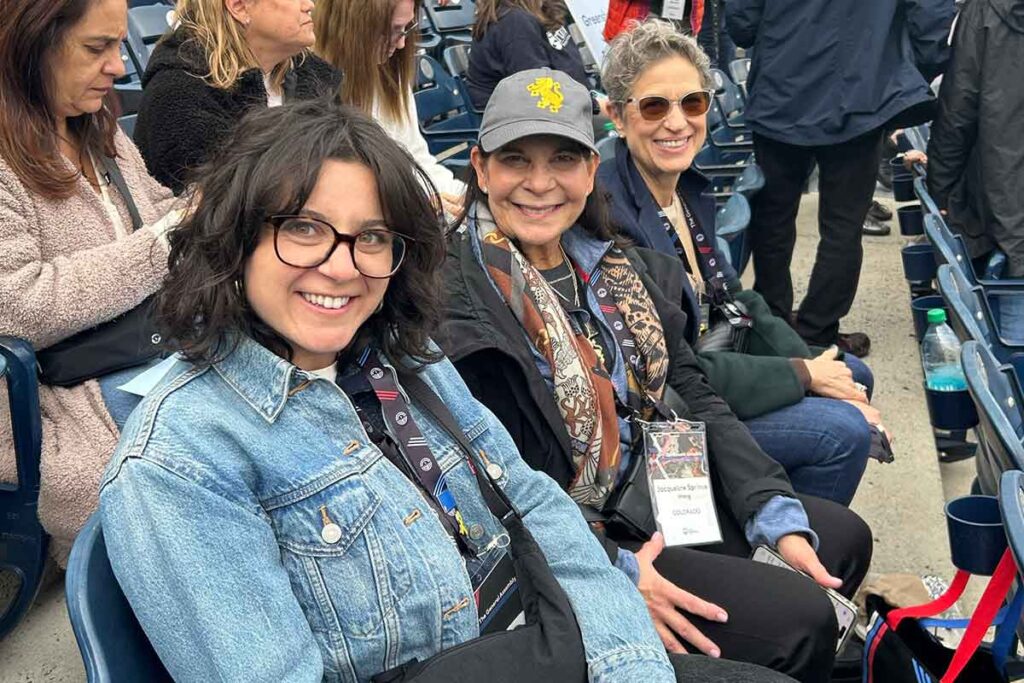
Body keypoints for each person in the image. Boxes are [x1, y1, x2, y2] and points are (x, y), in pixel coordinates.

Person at [100, 100, 787, 683]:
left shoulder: (404, 359)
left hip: (545, 639)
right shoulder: (180, 462)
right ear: (238, 236)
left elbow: (534, 502)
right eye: (303, 227)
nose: (341, 267)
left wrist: (626, 663)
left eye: (371, 237)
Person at [440, 68, 873, 681]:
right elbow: (490, 484)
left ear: (592, 171)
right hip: (580, 533)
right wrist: (614, 568)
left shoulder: (618, 268)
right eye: (516, 161)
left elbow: (693, 392)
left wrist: (767, 504)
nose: (540, 184)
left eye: (563, 159)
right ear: (481, 170)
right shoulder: (455, 302)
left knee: (839, 536)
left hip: (660, 486)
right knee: (800, 618)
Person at [597, 20, 879, 506]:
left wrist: (815, 365)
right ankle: (780, 555)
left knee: (854, 373)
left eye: (693, 102)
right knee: (843, 430)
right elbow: (673, 370)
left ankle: (771, 518)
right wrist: (805, 377)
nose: (677, 122)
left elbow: (736, 300)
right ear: (616, 117)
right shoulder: (611, 214)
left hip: (706, 360)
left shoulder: (684, 187)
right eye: (653, 106)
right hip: (662, 415)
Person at [0, 0, 182, 563]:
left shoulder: (99, 131)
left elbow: (162, 210)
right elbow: (16, 306)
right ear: (30, 45)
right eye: (96, 48)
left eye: (116, 44)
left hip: (146, 354)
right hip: (52, 396)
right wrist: (160, 245)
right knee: (191, 466)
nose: (120, 66)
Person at [725, 0, 954, 357]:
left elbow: (742, 21)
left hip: (783, 86)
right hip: (861, 89)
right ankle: (817, 330)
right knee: (843, 227)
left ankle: (774, 327)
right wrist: (900, 72)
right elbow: (932, 21)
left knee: (773, 218)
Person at [134, 0, 341, 194]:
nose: (310, 5)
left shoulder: (314, 77)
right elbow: (217, 212)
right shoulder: (178, 96)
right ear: (239, 6)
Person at [927, 0, 1024, 339]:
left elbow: (958, 112)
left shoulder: (985, 11)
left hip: (1009, 210)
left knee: (1013, 363)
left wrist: (941, 188)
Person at [314, 0, 466, 214]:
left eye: (407, 28)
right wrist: (414, 202)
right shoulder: (307, 87)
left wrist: (465, 200)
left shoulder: (390, 76)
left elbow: (415, 158)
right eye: (394, 30)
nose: (403, 43)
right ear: (354, 26)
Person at [468, 0, 591, 111]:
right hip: (522, 121)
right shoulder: (513, 22)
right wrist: (594, 105)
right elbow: (538, 92)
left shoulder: (547, 9)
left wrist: (592, 100)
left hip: (569, 106)